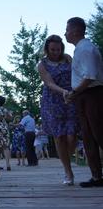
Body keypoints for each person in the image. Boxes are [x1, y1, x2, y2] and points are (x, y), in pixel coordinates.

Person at [64, 17, 103, 188]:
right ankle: (97, 177)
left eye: (67, 29)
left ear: (75, 31)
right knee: (88, 136)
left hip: (92, 94)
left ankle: (97, 175)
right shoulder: (80, 49)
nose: (65, 33)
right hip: (84, 95)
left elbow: (90, 77)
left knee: (99, 133)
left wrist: (74, 92)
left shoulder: (86, 49)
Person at [38, 34, 77, 185]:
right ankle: (68, 171)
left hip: (71, 100)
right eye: (53, 49)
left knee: (72, 136)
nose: (56, 52)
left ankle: (66, 158)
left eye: (58, 49)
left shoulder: (68, 58)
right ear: (47, 49)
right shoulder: (42, 64)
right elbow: (48, 82)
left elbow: (76, 74)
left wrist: (74, 92)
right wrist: (63, 92)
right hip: (53, 101)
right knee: (59, 137)